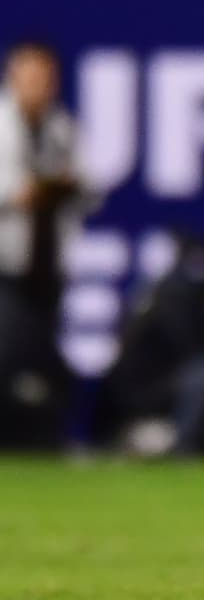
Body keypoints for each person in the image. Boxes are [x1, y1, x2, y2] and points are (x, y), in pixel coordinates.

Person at [0, 41, 81, 447]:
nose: (38, 87)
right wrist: (23, 192)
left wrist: (63, 187)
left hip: (44, 268)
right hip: (5, 268)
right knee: (10, 353)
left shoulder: (59, 127)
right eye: (30, 77)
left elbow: (88, 186)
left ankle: (36, 440)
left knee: (40, 361)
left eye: (45, 79)